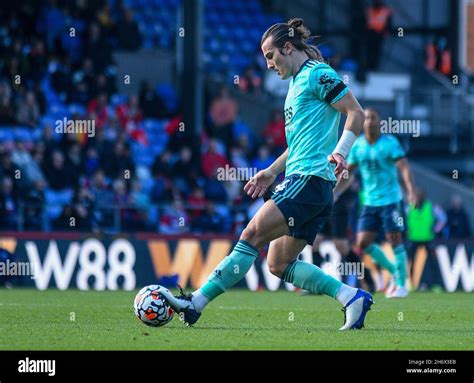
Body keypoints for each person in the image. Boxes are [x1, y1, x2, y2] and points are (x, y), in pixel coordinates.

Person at [159, 18, 371, 330]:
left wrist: (341, 151)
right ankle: (351, 296)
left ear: (288, 47)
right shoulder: (297, 85)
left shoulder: (318, 74)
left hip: (308, 181)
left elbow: (356, 112)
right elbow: (298, 145)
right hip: (310, 184)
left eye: (270, 55)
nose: (268, 64)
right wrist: (270, 172)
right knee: (278, 263)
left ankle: (195, 303)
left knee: (250, 235)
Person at [334, 108, 415, 298]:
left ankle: (401, 285)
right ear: (362, 122)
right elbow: (350, 173)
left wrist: (410, 191)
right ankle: (394, 270)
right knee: (362, 242)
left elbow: (404, 168)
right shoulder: (358, 146)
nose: (369, 121)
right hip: (370, 202)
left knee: (394, 239)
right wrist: (335, 192)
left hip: (391, 200)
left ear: (379, 121)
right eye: (367, 118)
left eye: (373, 117)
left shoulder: (390, 143)